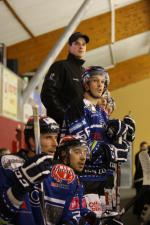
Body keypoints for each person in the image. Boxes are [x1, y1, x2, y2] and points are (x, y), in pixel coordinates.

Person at [61, 66, 135, 222]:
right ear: (86, 84)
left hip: (104, 181)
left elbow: (113, 147)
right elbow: (83, 148)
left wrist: (126, 137)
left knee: (105, 221)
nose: (100, 85)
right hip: (84, 180)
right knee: (87, 220)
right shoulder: (78, 107)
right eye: (95, 81)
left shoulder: (102, 113)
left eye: (103, 82)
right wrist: (112, 150)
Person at [0, 116, 95, 225]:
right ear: (32, 140)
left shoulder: (64, 173)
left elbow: (70, 217)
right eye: (48, 137)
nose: (55, 144)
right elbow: (3, 217)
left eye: (56, 137)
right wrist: (20, 187)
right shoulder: (9, 163)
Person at [41, 32, 89, 125]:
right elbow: (47, 95)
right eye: (77, 43)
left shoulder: (84, 72)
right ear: (69, 46)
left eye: (83, 44)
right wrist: (65, 116)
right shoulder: (60, 66)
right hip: (61, 127)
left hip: (81, 126)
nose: (81, 47)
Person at [133, 141, 150, 224]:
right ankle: (140, 216)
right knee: (141, 199)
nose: (145, 150)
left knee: (143, 199)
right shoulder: (140, 155)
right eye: (144, 148)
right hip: (141, 180)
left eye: (146, 148)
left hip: (143, 180)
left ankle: (141, 216)